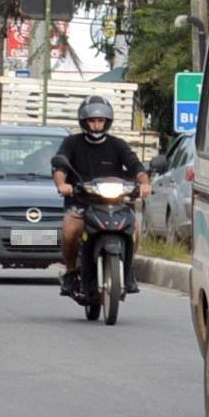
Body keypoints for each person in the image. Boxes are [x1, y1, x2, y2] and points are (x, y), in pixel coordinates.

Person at [54, 95, 150, 296]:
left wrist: (144, 183)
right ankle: (71, 273)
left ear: (107, 122)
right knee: (70, 231)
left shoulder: (118, 145)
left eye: (100, 121)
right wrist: (63, 184)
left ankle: (128, 271)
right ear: (84, 122)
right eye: (92, 121)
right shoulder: (72, 143)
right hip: (81, 203)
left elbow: (135, 166)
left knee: (135, 229)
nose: (96, 125)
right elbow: (60, 168)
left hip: (115, 202)